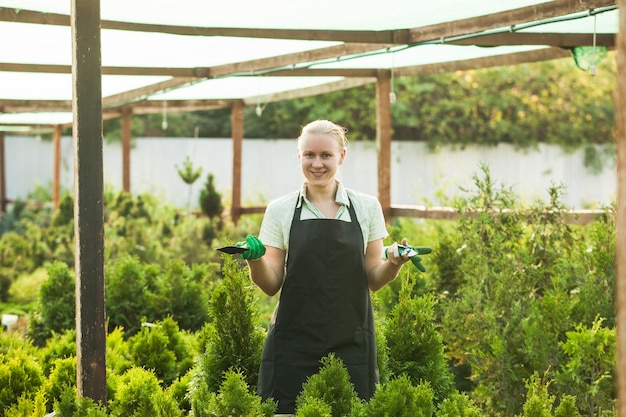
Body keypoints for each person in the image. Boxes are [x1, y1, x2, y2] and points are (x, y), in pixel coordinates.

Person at [237, 119, 425, 415]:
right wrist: (255, 259)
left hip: (351, 341)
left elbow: (374, 278)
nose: (317, 163)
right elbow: (271, 283)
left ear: (342, 156)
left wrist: (393, 263)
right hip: (292, 343)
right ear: (298, 156)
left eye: (326, 155)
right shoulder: (280, 210)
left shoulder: (366, 207)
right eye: (309, 155)